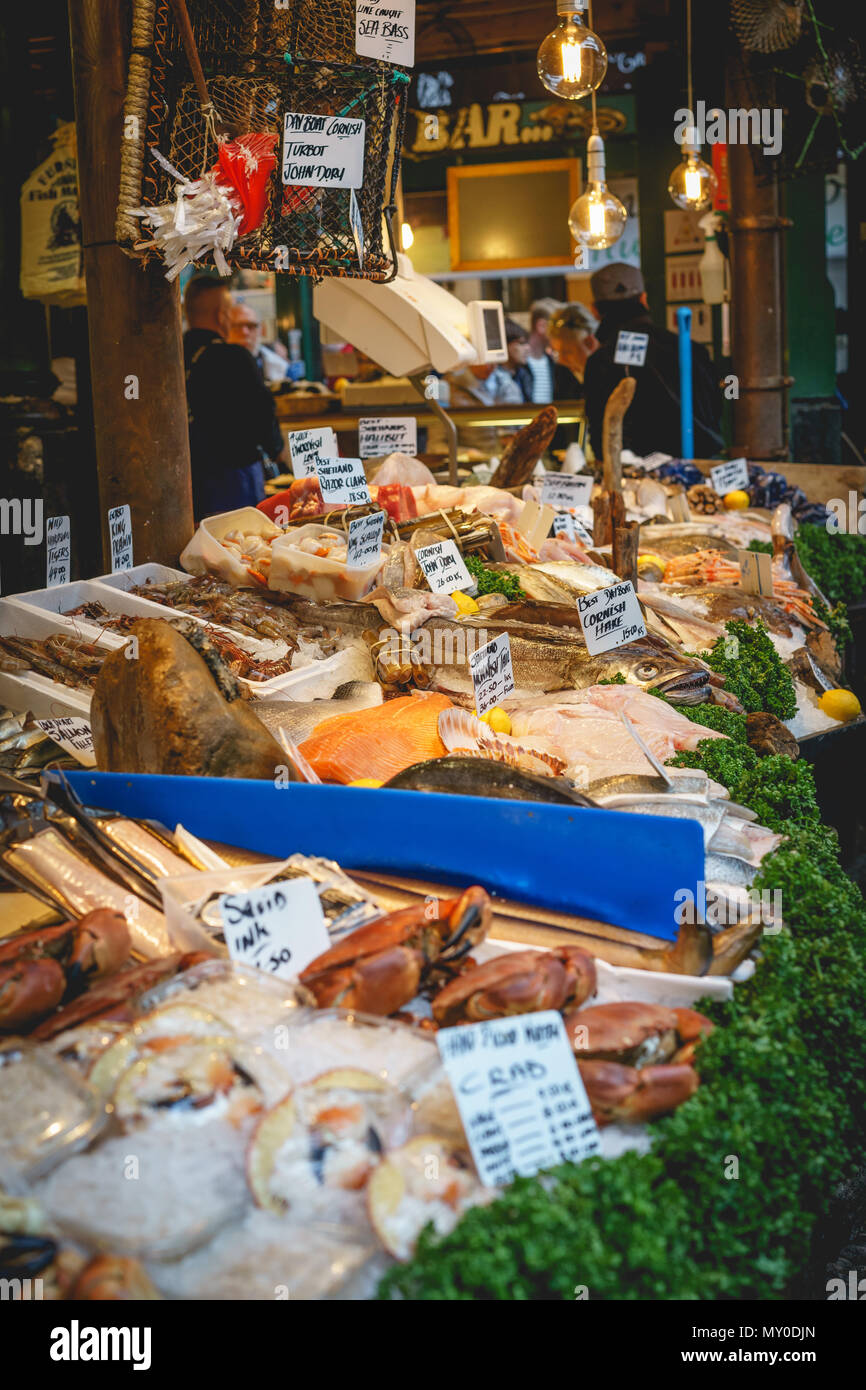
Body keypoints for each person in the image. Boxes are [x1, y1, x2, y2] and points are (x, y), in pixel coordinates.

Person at [582, 262, 723, 459]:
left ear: (595, 310)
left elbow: (601, 435)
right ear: (644, 299)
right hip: (701, 469)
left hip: (635, 478)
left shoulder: (600, 361)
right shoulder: (692, 349)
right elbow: (718, 404)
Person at [183, 278, 287, 517]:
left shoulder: (170, 355)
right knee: (240, 544)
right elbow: (262, 413)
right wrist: (277, 450)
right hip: (234, 480)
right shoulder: (235, 357)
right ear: (222, 316)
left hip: (187, 479)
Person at [541, 302, 599, 396]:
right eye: (556, 352)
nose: (561, 360)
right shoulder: (563, 374)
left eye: (567, 352)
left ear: (590, 343)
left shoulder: (611, 373)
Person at [228, 301, 289, 384]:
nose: (244, 332)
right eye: (237, 326)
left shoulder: (279, 367)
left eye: (251, 326)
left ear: (261, 330)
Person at [523, 298, 561, 403]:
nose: (559, 335)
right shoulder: (520, 363)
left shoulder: (550, 361)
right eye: (556, 328)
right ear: (542, 326)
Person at [486, 320, 530, 404]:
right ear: (505, 345)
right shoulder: (493, 378)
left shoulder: (524, 374)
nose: (527, 348)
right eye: (521, 343)